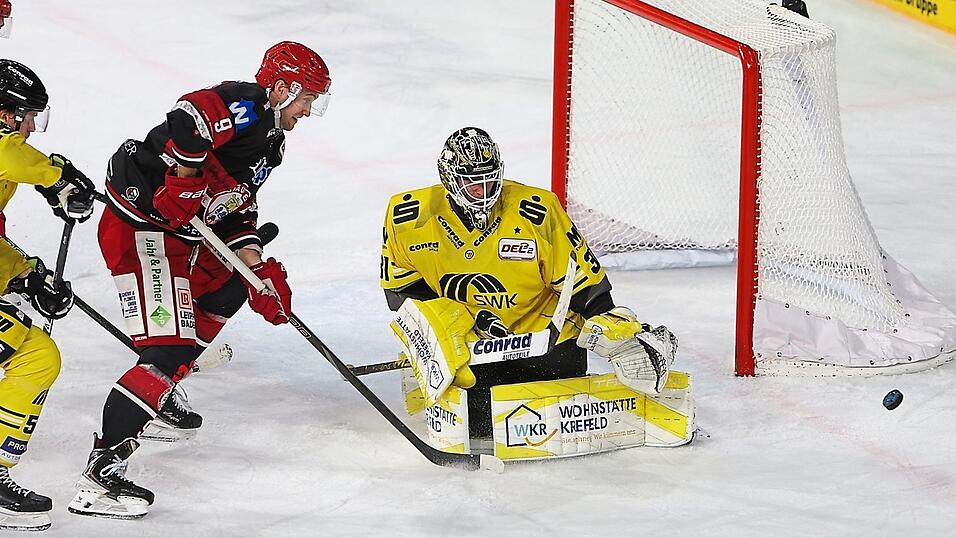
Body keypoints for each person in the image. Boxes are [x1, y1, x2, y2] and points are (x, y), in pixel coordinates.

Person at [68, 41, 331, 520]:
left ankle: (158, 391)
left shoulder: (272, 139)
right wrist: (186, 177)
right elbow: (189, 115)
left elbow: (235, 207)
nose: (310, 110)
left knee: (232, 286)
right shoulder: (246, 104)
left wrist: (255, 267)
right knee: (166, 349)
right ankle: (99, 475)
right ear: (283, 87)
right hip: (143, 229)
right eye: (308, 98)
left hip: (181, 235)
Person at [380, 127, 680, 446]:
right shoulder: (408, 217)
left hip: (547, 342)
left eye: (491, 180)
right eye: (474, 185)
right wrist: (442, 325)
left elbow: (585, 284)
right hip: (472, 347)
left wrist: (609, 326)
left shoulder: (536, 210)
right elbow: (400, 291)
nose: (486, 191)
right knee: (479, 427)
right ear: (450, 180)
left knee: (548, 420)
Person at [0, 59, 95, 531]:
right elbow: (11, 155)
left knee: (38, 355)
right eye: (26, 115)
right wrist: (56, 175)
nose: (32, 126)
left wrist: (26, 275)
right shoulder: (8, 152)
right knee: (13, 336)